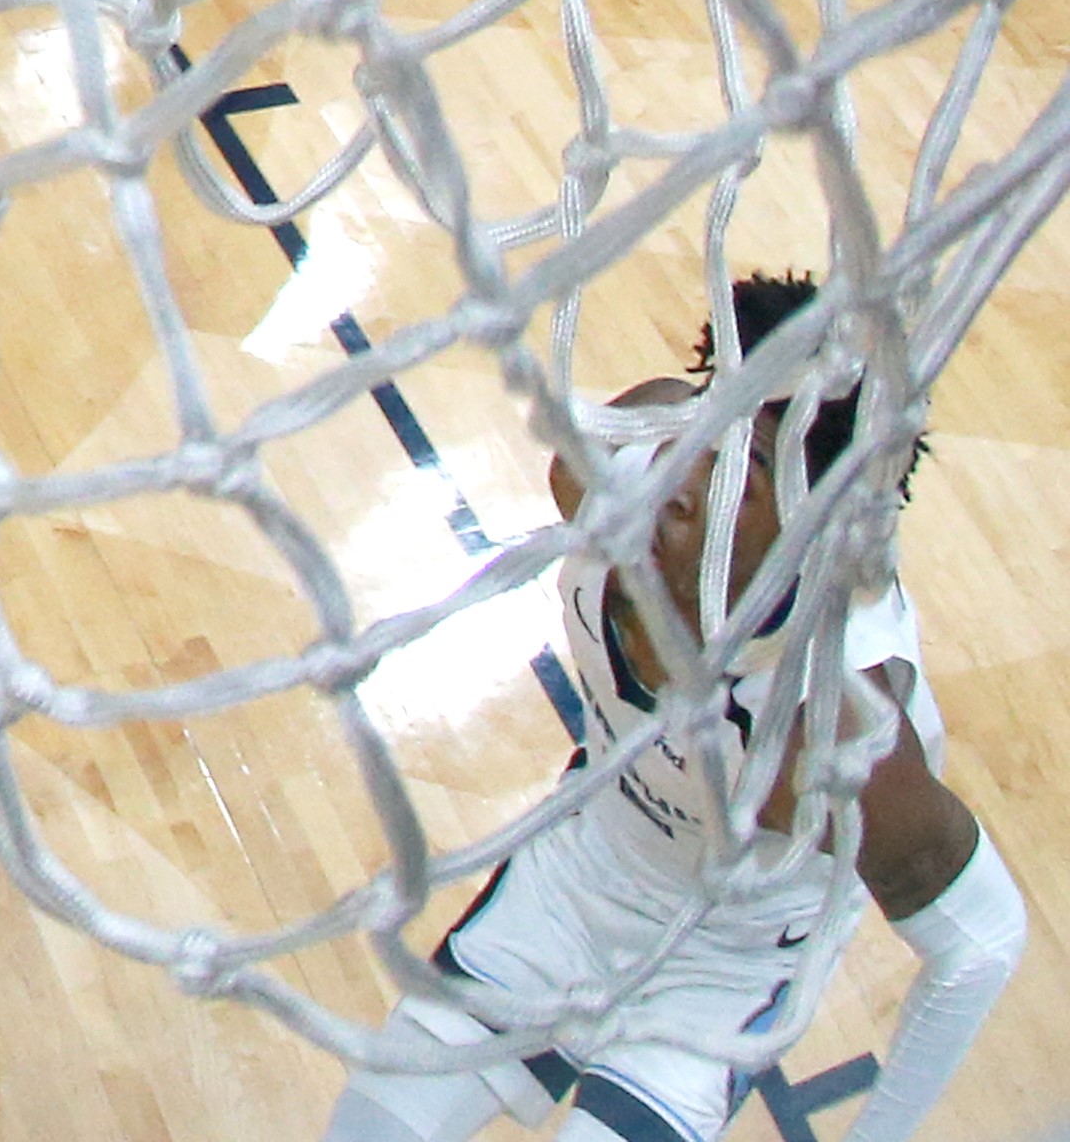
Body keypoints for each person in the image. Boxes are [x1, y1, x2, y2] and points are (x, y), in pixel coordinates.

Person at [308, 278, 1024, 1142]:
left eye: (742, 473)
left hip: (735, 955)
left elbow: (982, 943)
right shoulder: (605, 463)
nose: (684, 476)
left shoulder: (833, 733)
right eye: (704, 424)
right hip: (583, 871)